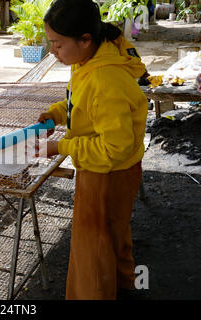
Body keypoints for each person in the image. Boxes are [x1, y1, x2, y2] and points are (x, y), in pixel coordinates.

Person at [36, 0, 148, 300]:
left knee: (91, 248)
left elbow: (114, 146)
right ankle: (125, 283)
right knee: (113, 232)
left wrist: (61, 145)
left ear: (85, 39)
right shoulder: (90, 61)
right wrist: (56, 114)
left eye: (58, 44)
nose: (53, 52)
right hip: (117, 168)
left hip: (107, 171)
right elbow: (81, 103)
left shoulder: (105, 77)